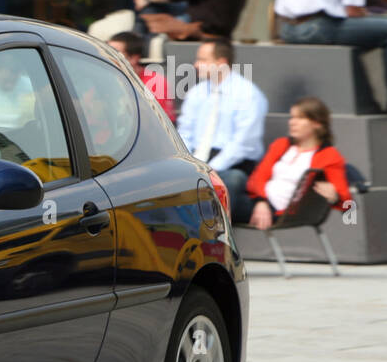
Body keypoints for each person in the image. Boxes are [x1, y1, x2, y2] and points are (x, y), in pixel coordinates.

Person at [175, 39, 268, 212]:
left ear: (221, 63)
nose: (196, 65)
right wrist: (188, 164)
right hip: (197, 159)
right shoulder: (197, 92)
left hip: (233, 164)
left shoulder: (248, 94)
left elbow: (243, 143)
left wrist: (209, 169)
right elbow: (184, 132)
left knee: (230, 180)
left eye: (203, 60)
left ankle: (214, 235)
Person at [242, 97, 351, 229]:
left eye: (300, 118)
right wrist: (261, 202)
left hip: (281, 211)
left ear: (317, 123)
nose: (292, 123)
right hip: (258, 201)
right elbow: (259, 177)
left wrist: (336, 196)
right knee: (229, 181)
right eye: (292, 118)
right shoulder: (281, 145)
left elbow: (349, 204)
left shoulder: (329, 156)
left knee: (218, 205)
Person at [107, 30, 174, 121]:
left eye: (113, 53)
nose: (107, 57)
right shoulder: (103, 78)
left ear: (133, 58)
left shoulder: (155, 82)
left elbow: (159, 122)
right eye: (106, 52)